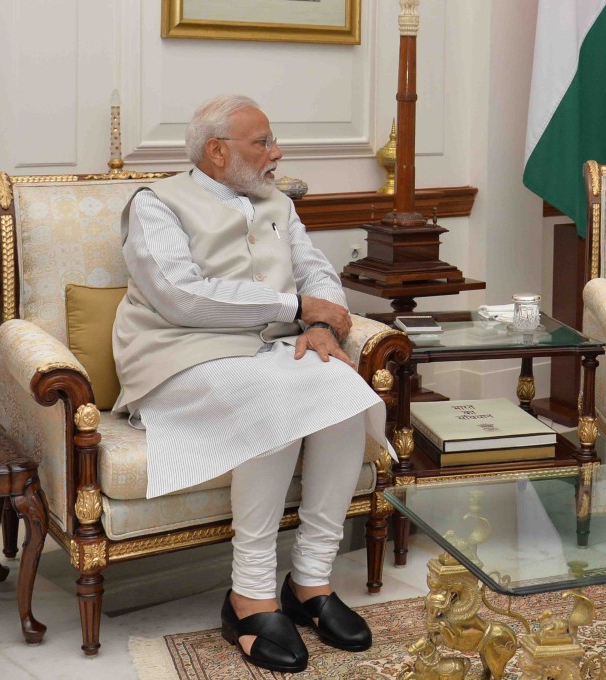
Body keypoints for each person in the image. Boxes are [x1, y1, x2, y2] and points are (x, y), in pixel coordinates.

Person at [112, 94, 387, 673]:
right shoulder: (155, 203)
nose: (276, 152)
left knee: (340, 388)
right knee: (282, 395)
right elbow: (178, 294)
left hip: (268, 351)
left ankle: (311, 582)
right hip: (177, 357)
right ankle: (250, 595)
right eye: (262, 142)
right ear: (217, 151)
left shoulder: (277, 203)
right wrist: (293, 304)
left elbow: (318, 272)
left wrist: (319, 323)